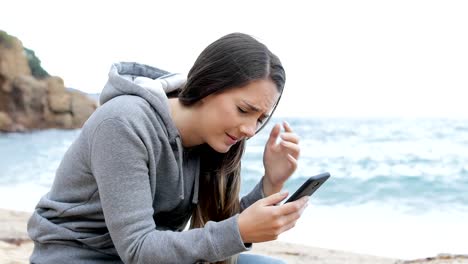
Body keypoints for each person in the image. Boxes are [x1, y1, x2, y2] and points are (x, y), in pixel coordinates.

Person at [27, 32, 308, 264]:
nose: (250, 129)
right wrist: (239, 230)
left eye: (259, 118)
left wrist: (272, 182)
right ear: (209, 86)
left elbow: (218, 226)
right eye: (243, 109)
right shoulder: (124, 122)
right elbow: (138, 248)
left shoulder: (218, 141)